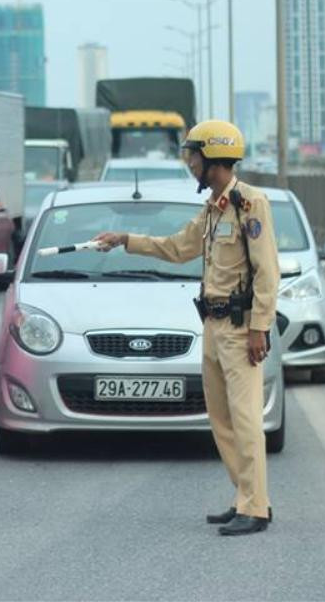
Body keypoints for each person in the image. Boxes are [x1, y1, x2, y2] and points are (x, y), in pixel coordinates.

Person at [93, 120, 280, 537]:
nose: (190, 163)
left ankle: (256, 508)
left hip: (238, 327)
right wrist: (126, 238)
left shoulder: (251, 204)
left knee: (246, 419)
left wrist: (259, 328)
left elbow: (268, 272)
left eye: (194, 155)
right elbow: (177, 248)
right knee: (222, 420)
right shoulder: (213, 209)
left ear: (213, 158)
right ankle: (247, 499)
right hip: (212, 326)